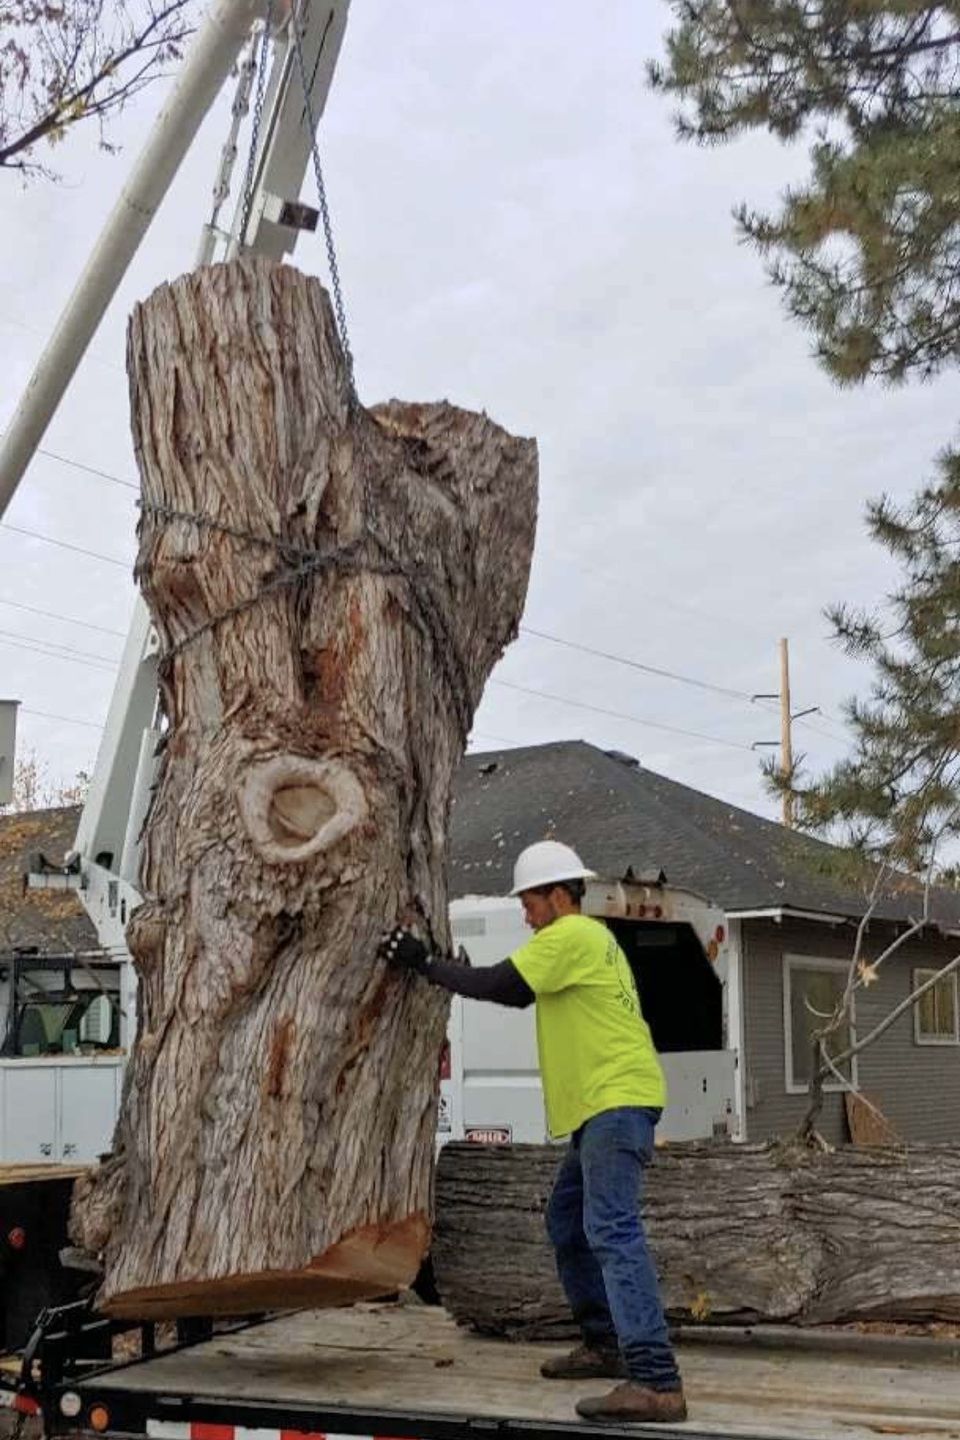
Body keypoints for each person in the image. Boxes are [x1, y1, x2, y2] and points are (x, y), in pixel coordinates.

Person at [379, 839, 686, 1425]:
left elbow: (504, 986)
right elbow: (520, 993)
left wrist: (423, 963)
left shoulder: (570, 935)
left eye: (529, 903)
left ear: (558, 897)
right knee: (567, 1221)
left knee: (612, 1230)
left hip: (614, 1102)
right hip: (606, 1105)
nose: (526, 915)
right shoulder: (590, 939)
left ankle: (655, 1380)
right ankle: (604, 1342)